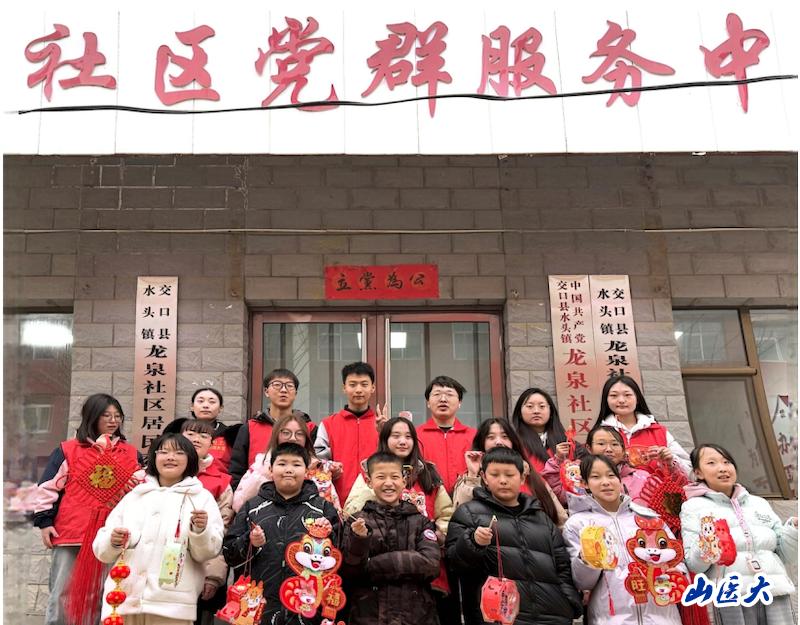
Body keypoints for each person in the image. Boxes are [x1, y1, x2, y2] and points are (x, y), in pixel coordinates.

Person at [33, 393, 143, 625]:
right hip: (71, 533)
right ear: (91, 417)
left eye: (117, 416)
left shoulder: (131, 454)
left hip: (111, 536)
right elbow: (47, 488)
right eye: (106, 415)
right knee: (63, 592)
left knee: (102, 592)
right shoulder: (67, 450)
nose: (113, 421)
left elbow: (141, 493)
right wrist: (45, 522)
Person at [92, 433, 225, 625]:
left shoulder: (200, 498)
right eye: (163, 452)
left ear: (190, 459)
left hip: (172, 606)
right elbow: (102, 551)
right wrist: (113, 541)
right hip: (123, 599)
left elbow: (207, 552)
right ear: (154, 458)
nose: (170, 457)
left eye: (178, 453)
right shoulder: (135, 496)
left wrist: (200, 530)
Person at [446, 447, 582, 625]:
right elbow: (454, 562)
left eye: (509, 475)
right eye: (495, 475)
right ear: (484, 478)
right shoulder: (469, 513)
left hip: (553, 615)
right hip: (497, 617)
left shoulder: (541, 518)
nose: (503, 480)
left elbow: (562, 565)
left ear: (522, 478)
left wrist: (569, 602)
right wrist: (473, 542)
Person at [344, 416, 455, 624]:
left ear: (404, 480)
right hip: (370, 612)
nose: (388, 483)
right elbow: (352, 569)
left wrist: (374, 564)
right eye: (395, 436)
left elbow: (430, 564)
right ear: (369, 481)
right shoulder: (361, 520)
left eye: (408, 436)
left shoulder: (420, 520)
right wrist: (359, 539)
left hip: (417, 611)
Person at [223, 442, 340, 625]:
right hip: (257, 607)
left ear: (306, 471)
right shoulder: (252, 507)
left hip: (306, 609)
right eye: (282, 463)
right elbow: (229, 554)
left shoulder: (323, 509)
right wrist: (250, 541)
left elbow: (340, 556)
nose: (289, 469)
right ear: (270, 470)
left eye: (296, 464)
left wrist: (328, 534)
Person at [680, 444, 798, 625]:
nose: (722, 468)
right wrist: (707, 545)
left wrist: (793, 529)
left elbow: (787, 555)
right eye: (711, 463)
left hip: (773, 590)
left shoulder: (759, 503)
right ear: (698, 473)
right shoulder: (693, 507)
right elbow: (695, 566)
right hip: (731, 596)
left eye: (727, 462)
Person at [562, 454, 685, 625]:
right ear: (584, 483)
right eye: (596, 477)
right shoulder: (578, 524)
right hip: (611, 619)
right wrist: (588, 558)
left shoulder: (648, 518)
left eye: (611, 475)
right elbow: (583, 582)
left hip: (662, 616)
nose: (606, 482)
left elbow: (677, 561)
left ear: (620, 480)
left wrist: (676, 573)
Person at [452, 417, 567, 526]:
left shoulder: (532, 477)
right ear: (482, 443)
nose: (498, 442)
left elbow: (560, 521)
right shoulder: (469, 479)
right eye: (491, 437)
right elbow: (461, 518)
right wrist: (473, 475)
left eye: (505, 436)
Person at [179, 419, 234, 625]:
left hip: (201, 568)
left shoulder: (221, 482)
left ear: (211, 443)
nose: (196, 439)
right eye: (190, 434)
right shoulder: (161, 474)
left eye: (203, 436)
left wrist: (213, 575)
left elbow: (223, 531)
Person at [232, 412, 341, 512]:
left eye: (299, 434)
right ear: (276, 436)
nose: (293, 438)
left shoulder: (318, 468)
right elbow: (238, 505)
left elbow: (334, 512)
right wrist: (264, 472)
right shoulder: (261, 465)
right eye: (286, 433)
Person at [228, 368, 315, 489]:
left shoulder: (308, 428)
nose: (283, 390)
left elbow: (317, 467)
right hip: (256, 494)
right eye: (277, 385)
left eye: (289, 386)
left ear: (295, 393)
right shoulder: (250, 428)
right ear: (266, 391)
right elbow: (237, 470)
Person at [590, 375, 692, 478]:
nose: (621, 400)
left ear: (637, 398)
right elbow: (590, 470)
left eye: (627, 395)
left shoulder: (659, 431)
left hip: (658, 488)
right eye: (614, 395)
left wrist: (670, 460)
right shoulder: (599, 434)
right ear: (606, 400)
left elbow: (690, 472)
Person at [314, 361, 381, 502]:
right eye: (352, 384)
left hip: (377, 502)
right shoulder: (328, 424)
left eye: (364, 384)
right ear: (344, 388)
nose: (358, 390)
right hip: (336, 501)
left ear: (373, 388)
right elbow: (318, 464)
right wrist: (330, 469)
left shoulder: (382, 425)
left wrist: (384, 433)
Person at [542, 425, 651, 507]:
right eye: (601, 444)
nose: (609, 449)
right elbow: (560, 495)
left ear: (623, 450)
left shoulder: (642, 477)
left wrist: (663, 462)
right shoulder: (577, 473)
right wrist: (558, 460)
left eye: (614, 444)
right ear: (589, 448)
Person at [415, 376, 477, 495]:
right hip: (427, 499)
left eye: (449, 394)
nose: (443, 399)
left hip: (467, 499)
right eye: (437, 394)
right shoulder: (415, 435)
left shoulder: (474, 436)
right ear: (428, 402)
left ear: (459, 402)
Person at [164, 388, 240, 475]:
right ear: (192, 406)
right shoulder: (177, 430)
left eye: (212, 402)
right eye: (200, 401)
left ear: (220, 408)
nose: (206, 405)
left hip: (219, 481)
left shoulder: (231, 435)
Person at [510, 387, 574, 473]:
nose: (536, 411)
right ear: (519, 412)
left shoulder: (565, 441)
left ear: (551, 411)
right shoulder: (514, 442)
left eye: (542, 406)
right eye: (530, 406)